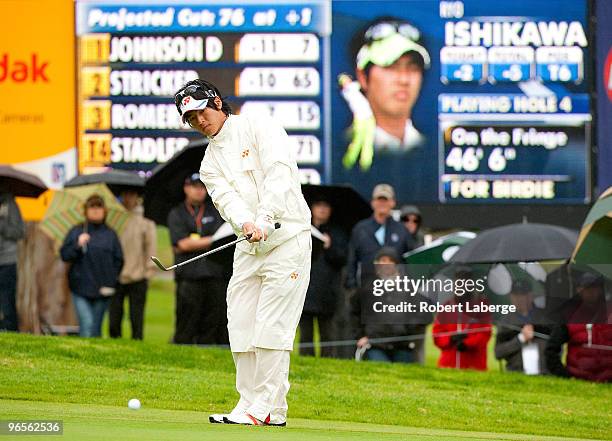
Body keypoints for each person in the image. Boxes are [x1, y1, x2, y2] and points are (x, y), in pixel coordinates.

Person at [174, 79, 312, 426]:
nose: (199, 121)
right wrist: (246, 223)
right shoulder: (208, 163)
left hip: (287, 237)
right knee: (240, 323)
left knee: (271, 327)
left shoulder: (259, 126)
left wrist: (265, 218)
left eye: (201, 112)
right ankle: (254, 404)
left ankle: (264, 406)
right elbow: (227, 201)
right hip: (249, 245)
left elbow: (279, 176)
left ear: (217, 102)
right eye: (190, 118)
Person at [339, 17, 431, 171]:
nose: (404, 79)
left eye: (413, 67)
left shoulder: (431, 147)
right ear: (362, 76)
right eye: (390, 66)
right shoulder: (339, 145)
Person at [167, 173, 227, 345]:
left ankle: (206, 354)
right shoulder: (177, 213)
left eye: (202, 187)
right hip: (189, 276)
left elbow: (221, 239)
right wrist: (209, 241)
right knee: (186, 321)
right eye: (195, 186)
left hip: (213, 275)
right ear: (186, 188)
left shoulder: (215, 212)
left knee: (211, 321)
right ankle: (181, 352)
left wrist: (195, 242)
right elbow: (182, 244)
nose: (199, 191)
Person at [352, 247, 431, 363]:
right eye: (382, 261)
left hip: (403, 347)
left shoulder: (410, 288)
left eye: (389, 261)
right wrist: (360, 336)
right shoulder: (367, 288)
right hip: (375, 345)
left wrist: (409, 334)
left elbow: (424, 315)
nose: (385, 264)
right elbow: (354, 313)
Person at [60, 195, 123, 337]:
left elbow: (119, 259)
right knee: (87, 323)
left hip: (103, 289)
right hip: (80, 287)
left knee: (96, 327)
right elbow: (65, 255)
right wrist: (77, 245)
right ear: (86, 210)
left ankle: (94, 357)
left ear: (104, 210)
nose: (95, 210)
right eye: (92, 207)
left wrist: (111, 280)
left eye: (99, 207)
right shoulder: (77, 231)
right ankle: (83, 356)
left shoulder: (110, 234)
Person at [300, 197, 347, 357]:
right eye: (318, 205)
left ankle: (328, 359)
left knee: (327, 333)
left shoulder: (337, 232)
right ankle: (306, 359)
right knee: (305, 334)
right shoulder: (303, 228)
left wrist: (329, 246)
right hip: (305, 288)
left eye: (326, 206)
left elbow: (343, 258)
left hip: (328, 291)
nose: (322, 209)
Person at [345, 183, 414, 290]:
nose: (382, 203)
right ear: (373, 203)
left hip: (395, 290)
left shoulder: (402, 230)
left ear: (392, 202)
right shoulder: (360, 229)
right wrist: (352, 287)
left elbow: (409, 261)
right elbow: (351, 260)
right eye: (379, 200)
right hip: (367, 289)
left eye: (385, 200)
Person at [109, 189, 157, 340]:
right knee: (114, 317)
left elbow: (151, 247)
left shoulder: (145, 221)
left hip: (138, 276)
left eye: (131, 194)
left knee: (136, 317)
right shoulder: (114, 218)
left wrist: (149, 271)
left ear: (137, 197)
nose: (128, 198)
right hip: (116, 276)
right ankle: (115, 343)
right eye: (125, 194)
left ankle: (137, 342)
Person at [545, 273, 612, 382]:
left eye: (594, 288)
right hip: (579, 379)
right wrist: (566, 376)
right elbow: (551, 350)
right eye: (587, 288)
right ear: (578, 289)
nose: (591, 292)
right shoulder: (568, 315)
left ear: (600, 290)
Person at [432, 267, 492, 371]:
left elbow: (485, 333)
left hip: (474, 365)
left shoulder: (481, 305)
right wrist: (450, 339)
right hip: (449, 365)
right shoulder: (446, 306)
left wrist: (467, 343)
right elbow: (437, 334)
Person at [494, 279, 551, 375]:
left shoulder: (545, 317)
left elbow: (556, 345)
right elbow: (498, 353)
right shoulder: (505, 322)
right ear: (511, 297)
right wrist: (520, 339)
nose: (519, 299)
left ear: (531, 296)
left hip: (544, 373)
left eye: (522, 295)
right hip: (516, 373)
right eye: (515, 295)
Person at [0, 190, 25, 331]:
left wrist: (3, 225)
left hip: (7, 261)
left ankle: (12, 332)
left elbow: (20, 232)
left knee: (7, 301)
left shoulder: (10, 205)